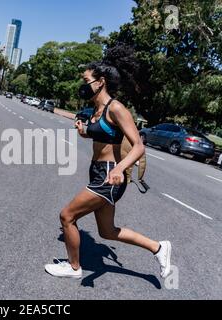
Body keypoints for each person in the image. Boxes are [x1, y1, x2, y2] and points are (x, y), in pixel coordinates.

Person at [45, 61, 172, 280]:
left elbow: (139, 146)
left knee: (67, 216)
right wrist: (84, 131)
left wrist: (120, 168)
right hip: (98, 170)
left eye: (86, 81)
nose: (82, 85)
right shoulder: (97, 109)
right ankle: (159, 247)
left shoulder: (116, 108)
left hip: (110, 175)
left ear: (100, 82)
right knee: (107, 231)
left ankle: (74, 268)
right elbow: (104, 137)